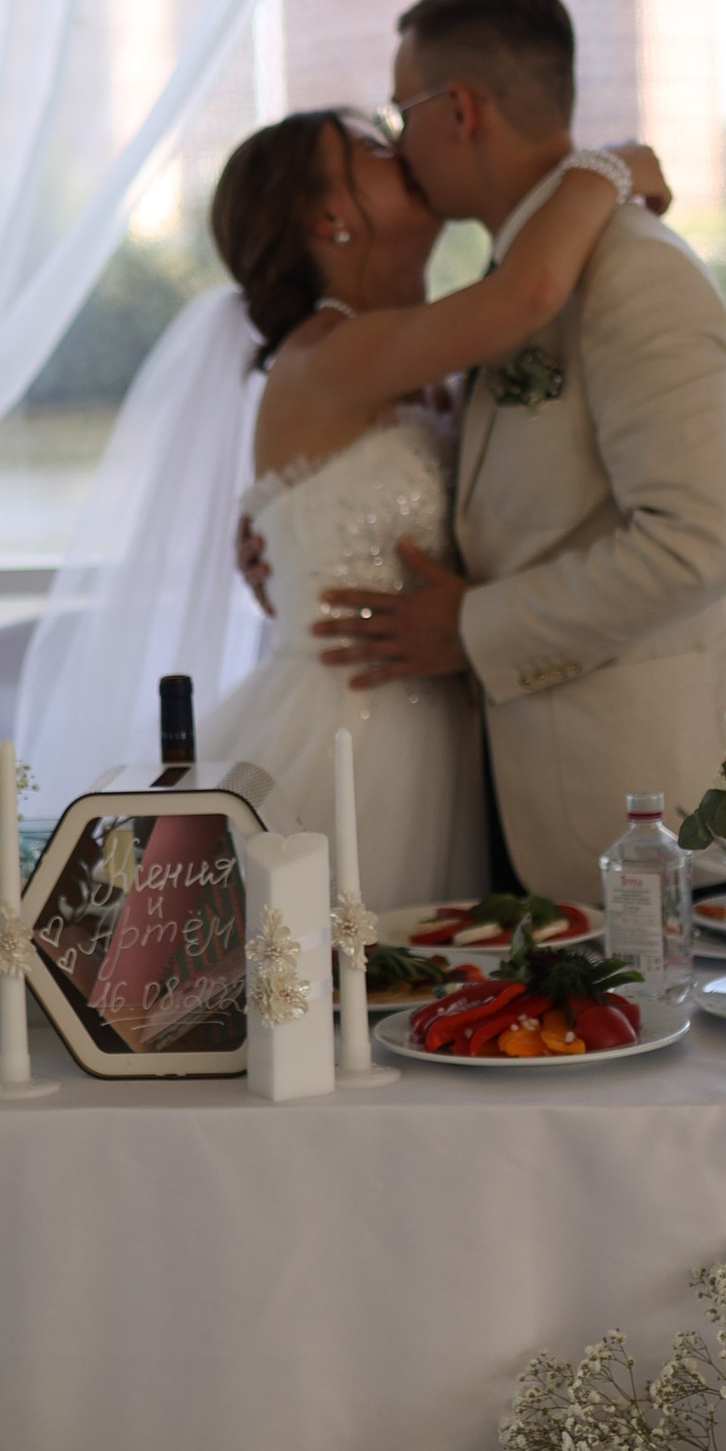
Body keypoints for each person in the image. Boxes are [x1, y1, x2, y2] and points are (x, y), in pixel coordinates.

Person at [313, 0, 726, 904]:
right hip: (513, 802)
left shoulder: (633, 272)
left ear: (461, 109)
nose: (400, 144)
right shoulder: (515, 273)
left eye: (403, 115)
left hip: (636, 813)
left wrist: (472, 628)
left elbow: (698, 541)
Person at [200, 104, 660, 907]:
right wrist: (613, 165)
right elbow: (529, 294)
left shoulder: (416, 352)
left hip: (460, 728)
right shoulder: (328, 355)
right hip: (356, 739)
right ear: (332, 216)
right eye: (372, 148)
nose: (400, 148)